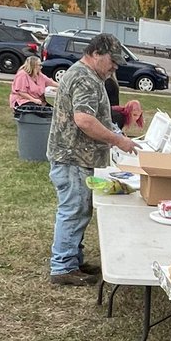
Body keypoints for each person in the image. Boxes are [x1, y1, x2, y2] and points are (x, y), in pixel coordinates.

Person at [46, 33, 138, 287]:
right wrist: (117, 141)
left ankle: (73, 260)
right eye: (113, 61)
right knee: (73, 210)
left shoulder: (90, 76)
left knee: (80, 210)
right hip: (72, 157)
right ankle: (63, 266)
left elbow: (95, 117)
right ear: (96, 53)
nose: (115, 67)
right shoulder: (85, 79)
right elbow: (84, 120)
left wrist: (116, 133)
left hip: (77, 157)